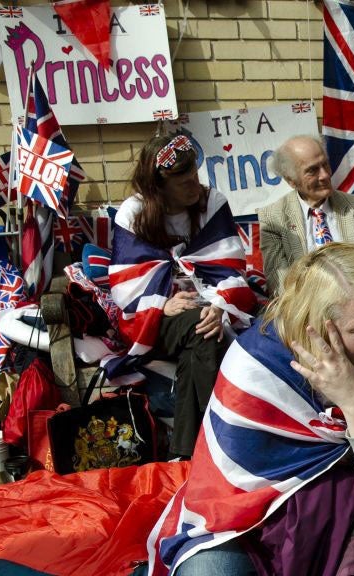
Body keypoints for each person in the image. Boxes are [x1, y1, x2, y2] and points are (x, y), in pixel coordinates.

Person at [147, 243, 354, 576]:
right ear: (317, 328)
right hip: (258, 525)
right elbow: (230, 494)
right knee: (207, 567)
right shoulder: (257, 363)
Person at [107, 133, 257, 459]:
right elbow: (125, 284)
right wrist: (163, 304)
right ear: (158, 185)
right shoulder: (134, 212)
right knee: (203, 333)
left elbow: (229, 266)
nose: (195, 186)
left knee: (204, 335)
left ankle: (189, 452)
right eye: (183, 181)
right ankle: (224, 443)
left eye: (195, 176)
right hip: (153, 317)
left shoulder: (210, 202)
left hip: (209, 307)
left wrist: (220, 306)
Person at [258, 135, 354, 296]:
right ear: (291, 180)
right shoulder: (273, 218)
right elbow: (279, 282)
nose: (325, 175)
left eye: (325, 164)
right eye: (312, 170)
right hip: (306, 305)